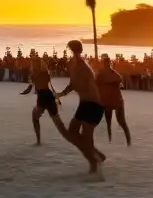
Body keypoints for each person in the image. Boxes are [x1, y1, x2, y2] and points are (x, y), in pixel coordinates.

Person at [56, 40, 106, 176]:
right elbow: (72, 84)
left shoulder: (83, 67)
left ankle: (94, 162)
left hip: (94, 104)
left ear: (71, 50)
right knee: (72, 132)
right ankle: (96, 155)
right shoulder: (75, 66)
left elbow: (92, 86)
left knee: (86, 136)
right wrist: (61, 93)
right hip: (84, 104)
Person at [97, 53, 132, 145]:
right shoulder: (101, 74)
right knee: (109, 123)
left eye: (109, 64)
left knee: (121, 123)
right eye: (106, 64)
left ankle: (128, 142)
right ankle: (110, 141)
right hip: (108, 101)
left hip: (116, 101)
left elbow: (119, 80)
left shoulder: (113, 74)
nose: (107, 66)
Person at [26, 54, 60, 144]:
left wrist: (33, 77)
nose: (32, 64)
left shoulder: (40, 73)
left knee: (35, 118)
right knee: (56, 120)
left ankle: (38, 141)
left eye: (33, 63)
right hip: (47, 96)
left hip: (43, 96)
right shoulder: (44, 72)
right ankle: (38, 140)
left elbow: (34, 83)